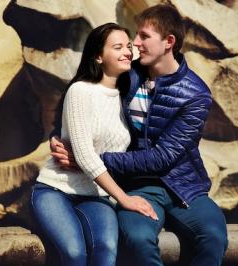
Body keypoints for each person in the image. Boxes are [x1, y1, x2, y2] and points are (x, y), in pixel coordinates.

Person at [51, 4, 228, 266]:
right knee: (137, 238)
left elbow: (163, 157)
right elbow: (84, 99)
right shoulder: (127, 75)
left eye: (144, 36)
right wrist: (60, 138)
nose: (135, 44)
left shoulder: (195, 94)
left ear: (169, 42)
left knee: (213, 237)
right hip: (135, 185)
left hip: (184, 186)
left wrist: (94, 159)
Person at [31, 22, 158, 266]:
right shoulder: (81, 91)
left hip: (97, 195)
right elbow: (85, 154)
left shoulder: (125, 97)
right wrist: (124, 199)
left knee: (106, 251)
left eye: (129, 47)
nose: (127, 52)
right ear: (98, 56)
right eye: (118, 47)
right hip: (56, 190)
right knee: (74, 253)